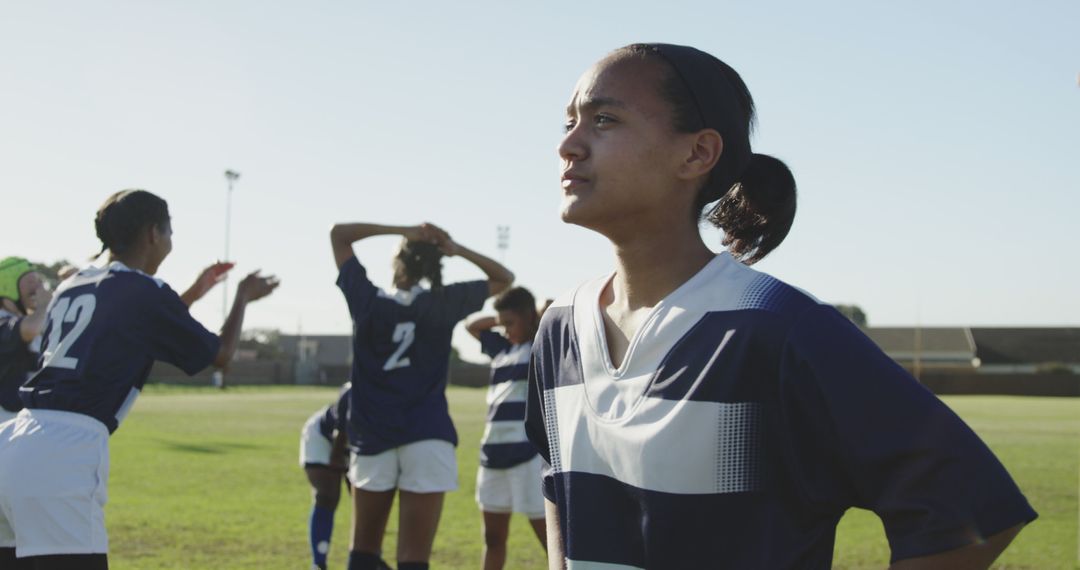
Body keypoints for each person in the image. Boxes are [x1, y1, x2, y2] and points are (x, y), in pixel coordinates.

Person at [524, 44, 1036, 569]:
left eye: (604, 119)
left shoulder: (775, 328)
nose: (568, 144)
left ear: (697, 153)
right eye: (569, 121)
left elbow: (972, 510)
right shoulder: (560, 328)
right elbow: (560, 486)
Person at [0, 189, 278, 569]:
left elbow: (135, 322)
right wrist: (243, 296)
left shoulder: (73, 285)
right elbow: (221, 356)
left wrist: (196, 291)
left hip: (15, 441)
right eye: (169, 232)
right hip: (64, 452)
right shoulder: (145, 291)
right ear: (153, 233)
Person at [330, 222, 513, 570]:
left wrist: (404, 229)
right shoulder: (442, 302)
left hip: (373, 434)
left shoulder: (368, 300)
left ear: (397, 261)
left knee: (363, 557)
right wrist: (456, 248)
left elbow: (339, 233)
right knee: (414, 561)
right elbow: (504, 277)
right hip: (427, 437)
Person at [465, 287, 548, 570]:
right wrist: (503, 320)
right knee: (492, 538)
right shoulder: (501, 348)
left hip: (526, 456)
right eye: (503, 324)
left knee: (550, 538)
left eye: (511, 323)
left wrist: (535, 317)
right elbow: (471, 325)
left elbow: (549, 309)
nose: (506, 329)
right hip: (492, 457)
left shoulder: (538, 346)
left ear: (529, 318)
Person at [299, 383, 391, 570]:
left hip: (359, 445)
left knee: (368, 506)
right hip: (323, 437)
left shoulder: (400, 389)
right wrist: (339, 461)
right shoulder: (355, 388)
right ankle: (318, 562)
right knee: (327, 496)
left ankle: (371, 557)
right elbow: (340, 434)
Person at [0, 258, 51, 424]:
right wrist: (44, 306)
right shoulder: (6, 321)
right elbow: (29, 329)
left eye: (38, 280)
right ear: (8, 286)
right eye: (30, 281)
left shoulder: (27, 320)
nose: (38, 287)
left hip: (21, 424)